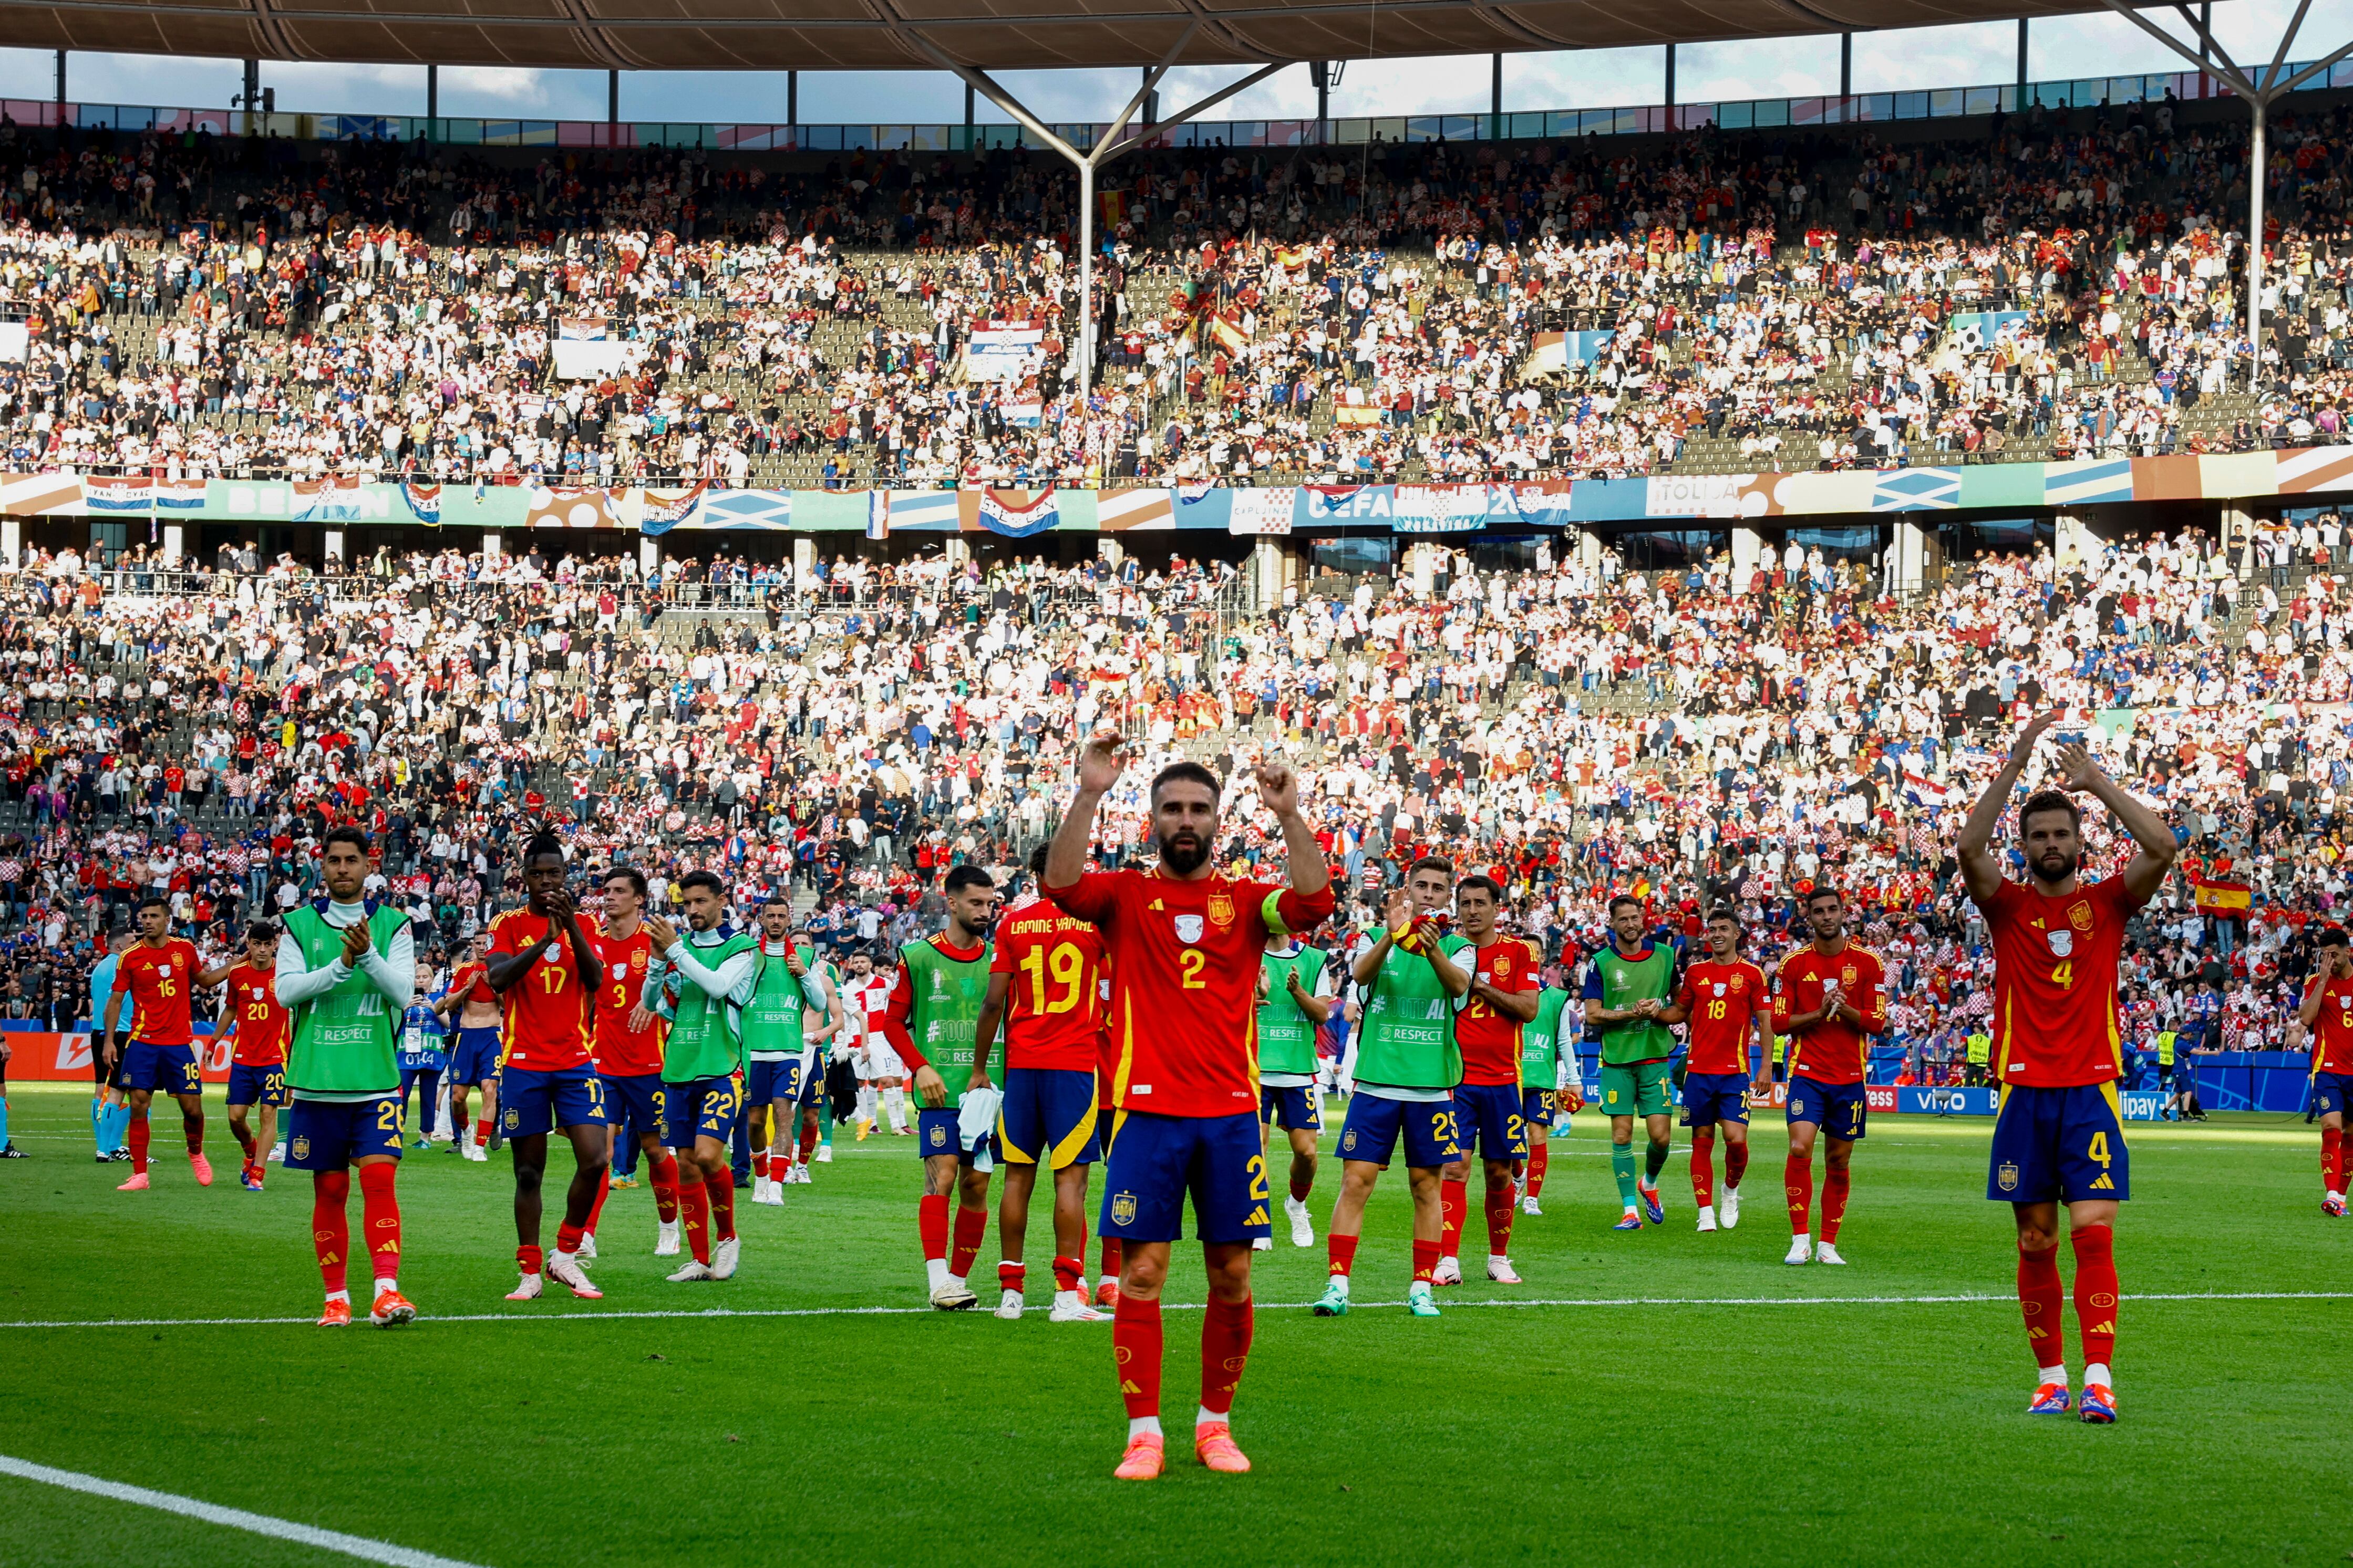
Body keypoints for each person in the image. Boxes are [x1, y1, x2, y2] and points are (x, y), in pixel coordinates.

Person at [1045, 735, 1334, 1481]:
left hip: (1232, 1115)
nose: (1185, 819)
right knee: (1142, 1273)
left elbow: (1312, 903)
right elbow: (1060, 886)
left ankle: (1214, 1425)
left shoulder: (1243, 902)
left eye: (1198, 809)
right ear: (1151, 819)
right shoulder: (1125, 895)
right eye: (1171, 807)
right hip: (1144, 1116)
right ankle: (1144, 1432)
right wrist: (1087, 793)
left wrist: (1290, 815)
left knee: (1231, 1275)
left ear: (1216, 820)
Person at [1959, 711, 2177, 1422]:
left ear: (2080, 842)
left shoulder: (2107, 902)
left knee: (2092, 1232)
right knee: (2034, 1239)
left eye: (2061, 833)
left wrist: (2096, 783)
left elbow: (2163, 845)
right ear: (2022, 847)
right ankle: (2050, 1376)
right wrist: (2017, 762)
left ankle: (2098, 1377)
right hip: (2023, 1092)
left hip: (2090, 1090)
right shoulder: (2006, 907)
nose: (2051, 844)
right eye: (2039, 835)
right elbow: (1966, 846)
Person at [274, 825, 417, 1327]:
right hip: (317, 1082)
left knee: (380, 1181)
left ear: (367, 865)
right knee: (330, 1191)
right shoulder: (296, 925)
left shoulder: (396, 924)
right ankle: (336, 1298)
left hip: (376, 1078)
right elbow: (286, 992)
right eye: (333, 860)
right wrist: (342, 964)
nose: (342, 868)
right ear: (323, 865)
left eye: (351, 860)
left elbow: (403, 994)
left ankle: (386, 1292)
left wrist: (368, 956)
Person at [1319, 856, 1468, 1319]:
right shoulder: (1370, 940)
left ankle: (1421, 1287)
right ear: (1406, 891)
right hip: (1377, 1085)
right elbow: (1360, 977)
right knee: (1355, 1183)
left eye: (1437, 888)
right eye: (1420, 885)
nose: (1428, 893)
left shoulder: (1460, 947)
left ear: (1448, 898)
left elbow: (1460, 985)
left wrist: (1431, 947)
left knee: (1427, 1188)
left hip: (1431, 1089)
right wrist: (1391, 932)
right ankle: (1338, 1283)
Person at [972, 846, 1110, 1322]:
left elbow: (993, 1003)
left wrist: (978, 1067)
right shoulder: (1095, 925)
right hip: (1073, 1066)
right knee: (1071, 1180)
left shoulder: (1012, 924)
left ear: (1033, 875)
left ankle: (1011, 1296)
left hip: (1024, 1065)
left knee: (1016, 1177)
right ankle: (1066, 1298)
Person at [485, 831, 610, 1302]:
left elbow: (595, 978)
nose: (545, 881)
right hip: (523, 1063)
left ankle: (564, 1255)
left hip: (576, 1060)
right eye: (536, 874)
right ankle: (530, 1270)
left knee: (596, 1159)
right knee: (529, 1172)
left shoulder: (590, 925)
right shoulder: (507, 923)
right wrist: (544, 941)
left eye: (553, 873)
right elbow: (498, 977)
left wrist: (569, 927)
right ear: (524, 877)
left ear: (565, 875)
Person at [873, 864, 1002, 1310]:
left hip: (988, 1091)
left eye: (990, 903)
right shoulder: (919, 956)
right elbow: (891, 1022)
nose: (985, 911)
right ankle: (937, 1280)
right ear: (951, 902)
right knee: (942, 1176)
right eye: (976, 902)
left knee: (977, 1186)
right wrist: (920, 1067)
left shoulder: (1001, 958)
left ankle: (956, 1280)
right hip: (939, 1090)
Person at [643, 870, 760, 1282]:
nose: (692, 910)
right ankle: (699, 1258)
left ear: (720, 900)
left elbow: (717, 985)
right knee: (688, 1165)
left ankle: (728, 1239)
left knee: (709, 1156)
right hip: (679, 1068)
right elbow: (652, 1002)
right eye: (686, 903)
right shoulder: (681, 948)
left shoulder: (742, 948)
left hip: (722, 1068)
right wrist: (658, 965)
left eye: (699, 902)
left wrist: (674, 951)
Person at [1771, 886, 1888, 1266]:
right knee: (1800, 1147)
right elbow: (1778, 1022)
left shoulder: (1869, 963)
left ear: (1843, 913)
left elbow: (1878, 1022)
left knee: (1838, 1161)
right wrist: (1820, 1014)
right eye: (1818, 910)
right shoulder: (1792, 965)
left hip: (1850, 1077)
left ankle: (1827, 1243)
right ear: (1810, 917)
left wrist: (1844, 1008)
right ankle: (1800, 1238)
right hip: (1807, 1074)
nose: (1826, 916)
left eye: (1832, 909)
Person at [1434, 875, 1540, 1285]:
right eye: (1465, 903)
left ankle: (1499, 1258)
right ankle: (1448, 1260)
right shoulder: (1444, 951)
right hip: (1455, 1080)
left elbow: (1528, 1008)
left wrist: (1477, 985)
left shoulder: (1517, 953)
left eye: (1481, 902)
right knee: (1455, 1167)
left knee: (1498, 1171)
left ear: (1498, 907)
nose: (1473, 910)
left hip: (1503, 1080)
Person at [100, 895, 234, 1191]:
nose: (147, 921)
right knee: (138, 1104)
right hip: (142, 1042)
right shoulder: (130, 957)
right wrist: (109, 1041)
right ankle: (139, 1174)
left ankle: (196, 1152)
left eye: (153, 917)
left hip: (178, 1044)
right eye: (144, 917)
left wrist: (236, 964)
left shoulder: (184, 949)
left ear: (167, 920)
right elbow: (116, 1000)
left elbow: (205, 980)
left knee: (193, 1110)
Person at [1660, 909, 1772, 1233]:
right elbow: (1680, 1012)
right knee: (1701, 1140)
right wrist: (1655, 1013)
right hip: (1698, 1072)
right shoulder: (1696, 973)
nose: (1717, 934)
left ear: (1737, 934)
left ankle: (1730, 1191)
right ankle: (1705, 1211)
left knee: (1736, 1141)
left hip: (1735, 1072)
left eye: (1724, 928)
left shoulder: (1752, 974)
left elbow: (1765, 1021)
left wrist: (1765, 1066)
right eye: (1713, 929)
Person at [589, 865, 680, 1255]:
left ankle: (669, 1227)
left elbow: (682, 995)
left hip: (650, 1066)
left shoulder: (657, 942)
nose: (609, 896)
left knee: (655, 1150)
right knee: (597, 1153)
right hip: (601, 1063)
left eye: (619, 890)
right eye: (606, 890)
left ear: (639, 898)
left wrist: (654, 1002)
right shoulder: (592, 943)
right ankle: (584, 1236)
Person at [1584, 895, 1680, 1231]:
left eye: (1635, 918)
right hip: (1617, 1061)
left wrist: (1661, 1012)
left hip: (1655, 1057)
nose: (1630, 924)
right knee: (1622, 1136)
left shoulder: (1666, 957)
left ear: (1643, 920)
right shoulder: (1600, 962)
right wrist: (1631, 1012)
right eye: (1623, 919)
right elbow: (1593, 1014)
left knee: (1662, 1138)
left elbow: (1682, 1006)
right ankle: (1630, 1212)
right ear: (1612, 923)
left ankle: (1649, 1184)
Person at [742, 890, 832, 1206]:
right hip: (754, 1052)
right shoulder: (749, 954)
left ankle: (777, 1186)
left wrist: (805, 974)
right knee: (755, 1121)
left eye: (782, 916)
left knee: (784, 1116)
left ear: (789, 919)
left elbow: (820, 1004)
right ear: (762, 919)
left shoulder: (805, 958)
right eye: (771, 916)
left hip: (789, 1051)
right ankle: (762, 1176)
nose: (777, 921)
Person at [1255, 918, 1333, 1250]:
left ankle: (1296, 1205)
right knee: (1254, 1150)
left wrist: (1296, 991)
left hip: (1298, 1071)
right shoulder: (1246, 955)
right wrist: (1251, 997)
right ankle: (1258, 1221)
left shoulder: (1315, 959)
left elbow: (1323, 1014)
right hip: (1254, 1070)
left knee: (1307, 1153)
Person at [219, 920, 291, 1192]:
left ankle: (258, 1173)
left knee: (268, 1114)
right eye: (257, 944)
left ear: (275, 945)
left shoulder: (285, 974)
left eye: (267, 944)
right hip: (243, 1057)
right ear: (248, 945)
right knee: (235, 1118)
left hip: (275, 1057)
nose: (262, 950)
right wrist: (214, 1042)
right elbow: (230, 1009)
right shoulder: (237, 973)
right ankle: (250, 1151)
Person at [1515, 960, 1578, 1218]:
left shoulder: (1556, 998)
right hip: (1510, 1078)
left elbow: (1564, 1039)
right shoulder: (1507, 993)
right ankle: (1519, 1176)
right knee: (1509, 1141)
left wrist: (1574, 1079)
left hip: (1541, 1079)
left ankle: (1532, 1198)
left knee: (1537, 1137)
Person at [2298, 928, 2352, 1217]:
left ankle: (2340, 1199)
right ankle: (2332, 1195)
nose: (2330, 960)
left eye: (2334, 954)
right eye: (2325, 955)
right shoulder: (2315, 981)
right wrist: (2322, 980)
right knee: (2331, 1129)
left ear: (2348, 952)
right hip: (2327, 1069)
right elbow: (2306, 1018)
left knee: (2351, 1136)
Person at [438, 936, 504, 1161]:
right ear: (473, 946)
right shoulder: (464, 971)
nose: (483, 947)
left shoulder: (501, 971)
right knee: (458, 1097)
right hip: (466, 1037)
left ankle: (479, 1146)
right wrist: (468, 988)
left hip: (491, 1036)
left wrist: (494, 987)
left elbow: (510, 1005)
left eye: (487, 944)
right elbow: (448, 1005)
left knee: (490, 1089)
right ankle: (467, 1131)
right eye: (479, 944)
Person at [88, 927, 132, 1162]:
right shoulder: (123, 967)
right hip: (121, 1033)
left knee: (99, 1088)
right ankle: (111, 1147)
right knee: (124, 1090)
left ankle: (104, 1147)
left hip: (99, 1033)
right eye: (132, 942)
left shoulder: (98, 969)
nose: (136, 945)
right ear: (119, 947)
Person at [397, 962, 449, 1149]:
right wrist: (405, 1008)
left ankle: (425, 1137)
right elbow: (394, 1023)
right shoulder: (404, 997)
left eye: (425, 977)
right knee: (401, 1094)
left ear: (432, 979)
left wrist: (435, 1008)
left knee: (428, 1097)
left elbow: (449, 1023)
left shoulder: (439, 997)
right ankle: (396, 1134)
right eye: (418, 977)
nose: (421, 980)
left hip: (431, 1053)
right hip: (407, 1053)